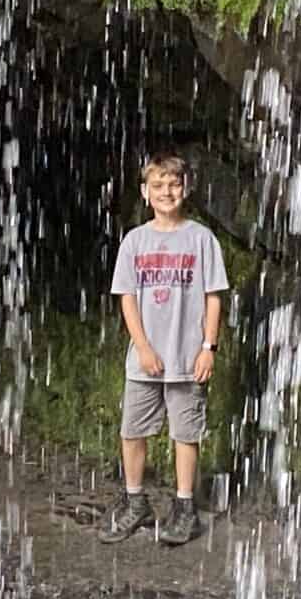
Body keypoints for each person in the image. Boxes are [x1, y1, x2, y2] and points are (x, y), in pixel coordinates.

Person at [99, 151, 230, 546]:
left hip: (188, 357)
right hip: (145, 357)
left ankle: (185, 507)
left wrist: (208, 347)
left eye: (173, 184)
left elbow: (213, 297)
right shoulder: (135, 241)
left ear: (185, 188)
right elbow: (127, 298)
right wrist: (142, 347)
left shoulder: (202, 239)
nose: (166, 192)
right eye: (158, 185)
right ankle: (136, 502)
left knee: (185, 433)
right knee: (132, 431)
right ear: (145, 192)